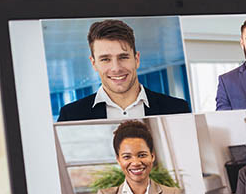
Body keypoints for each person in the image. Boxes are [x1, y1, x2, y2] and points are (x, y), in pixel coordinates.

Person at [57, 19, 191, 121]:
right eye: (105, 59)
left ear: (136, 59)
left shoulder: (177, 109)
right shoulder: (71, 115)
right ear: (94, 64)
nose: (116, 68)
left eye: (123, 57)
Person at [89, 120, 188, 194]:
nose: (136, 163)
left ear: (152, 156)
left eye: (142, 155)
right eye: (127, 157)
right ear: (118, 160)